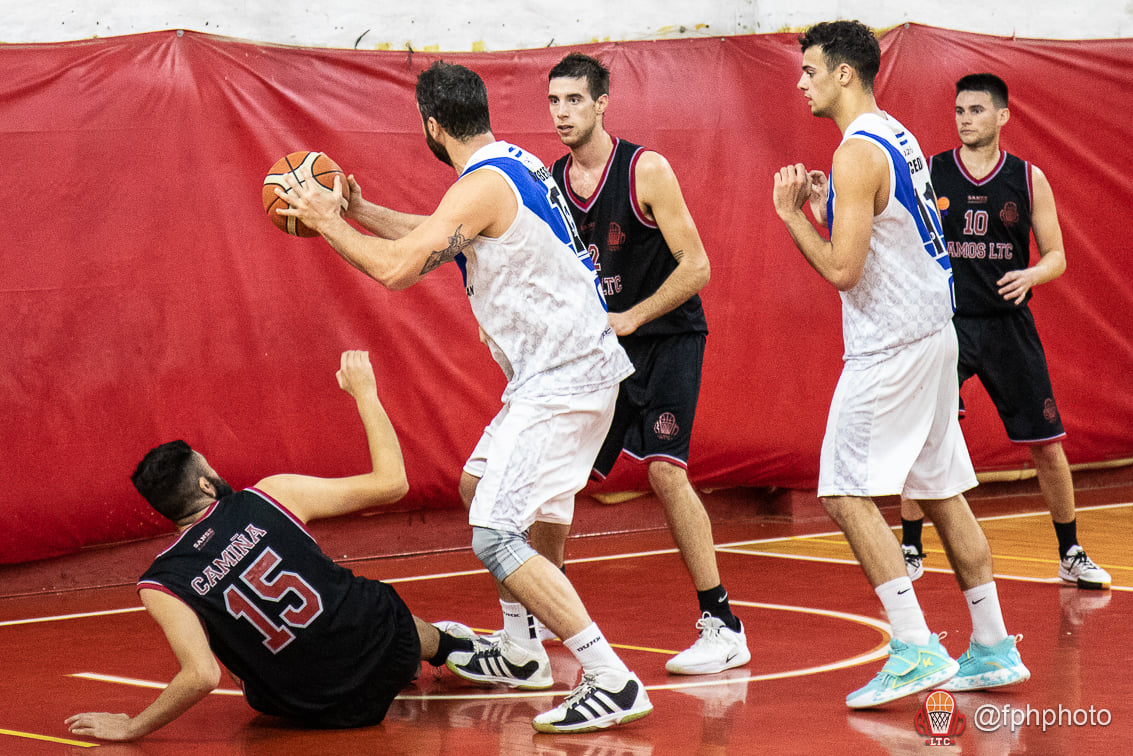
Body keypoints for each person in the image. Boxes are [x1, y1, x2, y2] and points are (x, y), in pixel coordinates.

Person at [274, 61, 651, 733]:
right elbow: (441, 232)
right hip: (562, 372)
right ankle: (522, 650)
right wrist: (358, 210)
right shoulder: (507, 166)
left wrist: (327, 222)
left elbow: (399, 268)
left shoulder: (480, 186)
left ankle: (609, 677)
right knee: (479, 487)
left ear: (431, 125)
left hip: (565, 377)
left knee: (495, 534)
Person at [771, 21, 1029, 707]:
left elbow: (843, 270)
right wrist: (829, 206)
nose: (800, 82)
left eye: (809, 70)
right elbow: (886, 230)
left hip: (891, 347)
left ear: (843, 74)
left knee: (842, 492)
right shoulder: (895, 134)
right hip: (933, 335)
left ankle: (914, 646)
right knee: (941, 491)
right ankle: (993, 646)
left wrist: (792, 216)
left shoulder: (856, 153)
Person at [66, 351, 478, 740]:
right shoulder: (268, 496)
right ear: (206, 484)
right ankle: (452, 648)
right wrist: (366, 393)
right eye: (210, 467)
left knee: (230, 647)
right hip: (386, 648)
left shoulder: (160, 581)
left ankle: (407, 657)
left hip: (318, 708)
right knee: (368, 599)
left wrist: (133, 727)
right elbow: (392, 484)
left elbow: (202, 676)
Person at [531, 51, 748, 676]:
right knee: (556, 478)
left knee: (664, 472)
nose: (562, 112)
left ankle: (724, 624)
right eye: (554, 101)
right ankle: (545, 613)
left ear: (602, 104)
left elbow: (698, 266)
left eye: (575, 100)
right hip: (605, 350)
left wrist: (633, 316)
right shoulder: (549, 183)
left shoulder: (644, 169)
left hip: (668, 337)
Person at [898, 74, 1111, 591]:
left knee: (1047, 443)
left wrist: (1033, 274)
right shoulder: (932, 173)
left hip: (1009, 327)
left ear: (1002, 116)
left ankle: (1070, 551)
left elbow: (1057, 255)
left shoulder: (1028, 178)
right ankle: (910, 546)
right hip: (948, 325)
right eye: (959, 111)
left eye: (976, 110)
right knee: (924, 434)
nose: (965, 119)